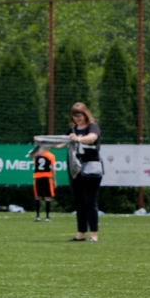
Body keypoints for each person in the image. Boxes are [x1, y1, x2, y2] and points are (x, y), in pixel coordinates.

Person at [58, 102, 102, 242]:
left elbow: (92, 138)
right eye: (74, 115)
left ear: (85, 114)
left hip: (91, 169)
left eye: (79, 115)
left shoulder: (92, 127)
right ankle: (80, 234)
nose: (77, 118)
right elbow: (60, 144)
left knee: (90, 201)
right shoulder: (71, 130)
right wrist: (43, 141)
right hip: (75, 170)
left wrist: (79, 139)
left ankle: (93, 235)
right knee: (79, 202)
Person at [33, 147, 56, 222]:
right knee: (47, 197)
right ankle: (47, 217)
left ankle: (37, 216)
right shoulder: (51, 155)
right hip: (47, 177)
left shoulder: (37, 155)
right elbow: (53, 168)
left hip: (37, 177)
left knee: (37, 197)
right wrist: (54, 180)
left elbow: (35, 166)